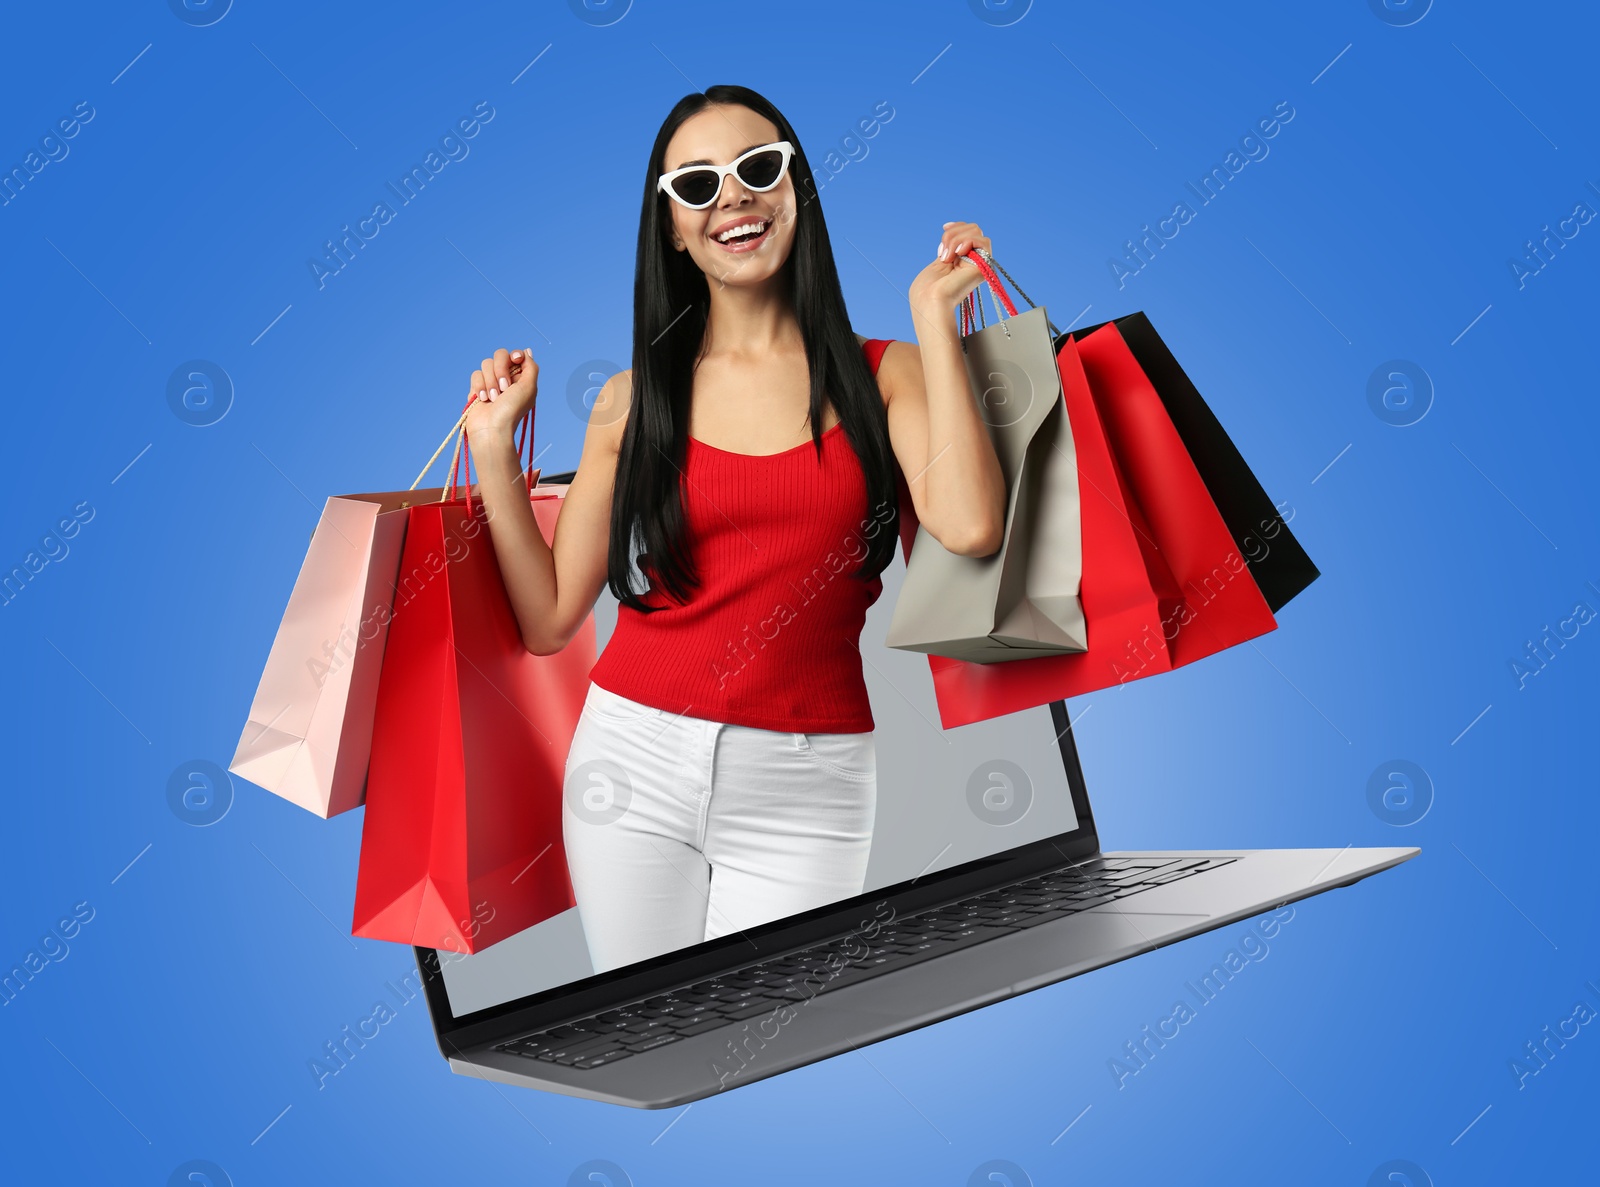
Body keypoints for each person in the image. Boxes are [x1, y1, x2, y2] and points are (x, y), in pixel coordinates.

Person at [462, 84, 1006, 975]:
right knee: (649, 1029)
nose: (733, 199)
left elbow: (973, 524)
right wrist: (493, 449)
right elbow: (551, 616)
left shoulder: (889, 374)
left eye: (757, 170)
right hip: (629, 756)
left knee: (774, 1042)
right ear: (672, 226)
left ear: (797, 191)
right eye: (698, 185)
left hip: (812, 776)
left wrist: (934, 322)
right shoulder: (631, 401)